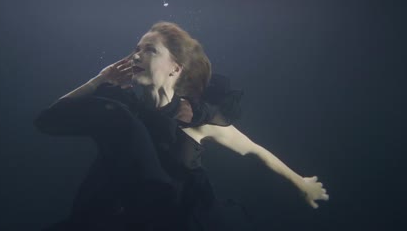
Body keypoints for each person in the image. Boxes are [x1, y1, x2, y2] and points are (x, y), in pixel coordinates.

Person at [34, 21, 329, 231]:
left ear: (176, 67)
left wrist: (300, 183)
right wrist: (99, 80)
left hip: (176, 219)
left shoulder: (196, 116)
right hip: (117, 216)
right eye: (135, 49)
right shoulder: (118, 106)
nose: (136, 55)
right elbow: (49, 120)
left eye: (149, 50)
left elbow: (253, 151)